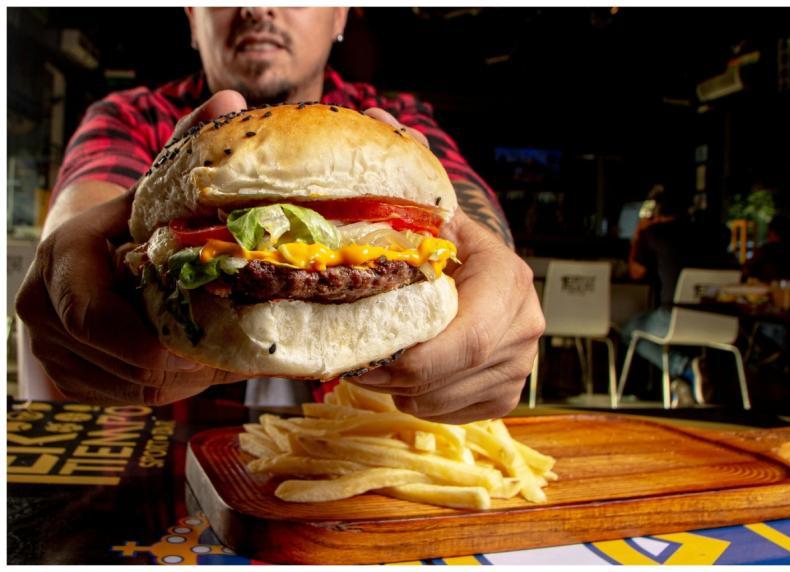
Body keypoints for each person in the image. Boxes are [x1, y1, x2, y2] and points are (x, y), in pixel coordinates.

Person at [15, 7, 544, 424]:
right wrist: (66, 278)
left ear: (341, 15)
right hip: (159, 482)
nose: (257, 8)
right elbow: (77, 223)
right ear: (190, 18)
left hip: (348, 499)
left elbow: (470, 223)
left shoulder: (399, 123)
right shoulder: (132, 117)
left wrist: (495, 299)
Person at [621, 185, 735, 406]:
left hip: (675, 317)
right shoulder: (709, 234)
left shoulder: (654, 234)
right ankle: (683, 387)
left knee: (629, 330)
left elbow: (636, 272)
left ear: (658, 209)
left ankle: (683, 368)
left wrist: (638, 234)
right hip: (720, 321)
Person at [743, 214, 790, 283]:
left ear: (772, 232)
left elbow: (747, 271)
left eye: (768, 232)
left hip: (768, 291)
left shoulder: (765, 251)